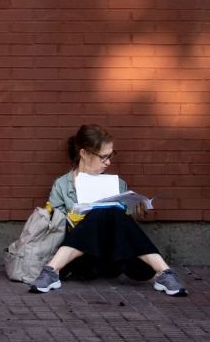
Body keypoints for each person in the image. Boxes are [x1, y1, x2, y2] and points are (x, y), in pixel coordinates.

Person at [29, 124, 188, 296]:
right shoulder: (62, 185)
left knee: (110, 211)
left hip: (114, 257)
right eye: (103, 157)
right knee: (100, 212)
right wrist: (73, 219)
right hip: (81, 260)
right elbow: (54, 226)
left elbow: (124, 229)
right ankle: (52, 270)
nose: (108, 162)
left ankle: (165, 274)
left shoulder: (116, 184)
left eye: (110, 156)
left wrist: (134, 211)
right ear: (84, 153)